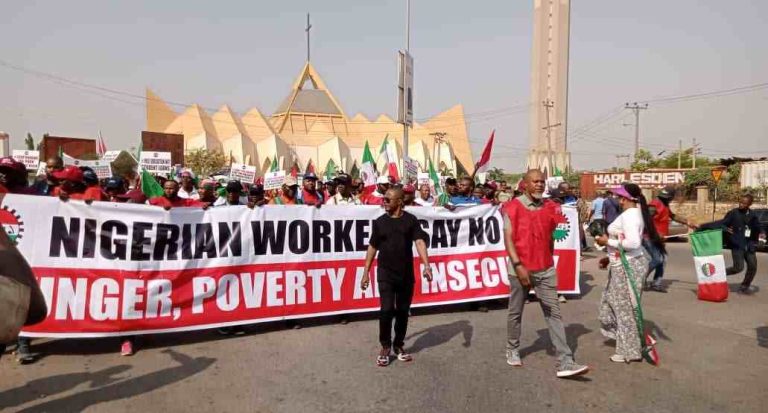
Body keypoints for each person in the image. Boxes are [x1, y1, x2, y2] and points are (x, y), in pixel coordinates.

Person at [501, 169, 589, 378]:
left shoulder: (550, 207)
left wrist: (548, 259)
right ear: (525, 184)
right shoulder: (512, 207)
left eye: (542, 181)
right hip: (519, 269)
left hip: (545, 269)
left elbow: (554, 236)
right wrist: (518, 265)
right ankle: (512, 348)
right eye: (535, 181)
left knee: (553, 313)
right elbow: (508, 239)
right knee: (516, 312)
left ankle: (565, 361)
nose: (540, 184)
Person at [361, 187, 432, 367]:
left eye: (388, 200)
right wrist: (365, 272)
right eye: (383, 199)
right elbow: (372, 247)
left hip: (406, 273)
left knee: (402, 311)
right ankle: (385, 346)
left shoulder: (411, 220)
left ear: (399, 202)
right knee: (386, 310)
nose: (384, 202)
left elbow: (419, 241)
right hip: (385, 273)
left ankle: (398, 345)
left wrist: (426, 265)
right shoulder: (380, 222)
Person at [594, 182, 660, 363]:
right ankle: (634, 338)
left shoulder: (631, 215)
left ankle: (630, 350)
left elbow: (633, 243)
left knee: (624, 309)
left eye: (620, 197)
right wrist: (608, 257)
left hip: (628, 266)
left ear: (627, 199)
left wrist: (607, 242)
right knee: (610, 303)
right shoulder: (632, 213)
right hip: (621, 263)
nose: (618, 200)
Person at [646, 187, 696, 292]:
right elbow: (647, 221)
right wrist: (656, 234)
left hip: (659, 239)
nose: (666, 199)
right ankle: (640, 279)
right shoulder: (654, 204)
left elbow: (672, 216)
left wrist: (687, 222)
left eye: (667, 198)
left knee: (663, 259)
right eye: (664, 197)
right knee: (657, 259)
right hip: (650, 237)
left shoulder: (665, 204)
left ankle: (656, 284)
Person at [722, 194, 760, 294]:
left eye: (744, 203)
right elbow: (722, 224)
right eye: (740, 202)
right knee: (738, 268)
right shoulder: (733, 213)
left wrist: (761, 233)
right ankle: (719, 274)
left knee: (753, 267)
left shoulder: (753, 215)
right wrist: (726, 229)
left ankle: (744, 286)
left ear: (750, 204)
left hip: (749, 245)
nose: (741, 204)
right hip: (737, 244)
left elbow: (757, 227)